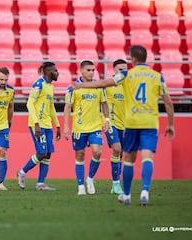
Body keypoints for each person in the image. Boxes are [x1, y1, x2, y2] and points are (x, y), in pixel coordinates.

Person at [73, 45, 175, 206]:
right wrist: (170, 124)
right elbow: (168, 103)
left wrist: (81, 85)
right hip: (149, 122)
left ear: (133, 59)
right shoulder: (157, 76)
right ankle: (144, 191)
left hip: (131, 123)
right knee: (146, 158)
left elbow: (104, 82)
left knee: (128, 159)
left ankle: (126, 195)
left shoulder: (127, 75)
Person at [63, 60, 110, 195]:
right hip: (79, 128)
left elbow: (104, 103)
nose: (91, 72)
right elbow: (67, 107)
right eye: (88, 70)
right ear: (81, 71)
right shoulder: (74, 87)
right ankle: (80, 186)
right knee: (80, 155)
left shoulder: (99, 86)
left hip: (95, 126)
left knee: (97, 152)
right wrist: (66, 126)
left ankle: (89, 179)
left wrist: (107, 119)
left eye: (93, 70)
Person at [17, 61, 61, 191]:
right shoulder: (38, 84)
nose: (57, 73)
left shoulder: (50, 87)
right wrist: (36, 123)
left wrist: (57, 125)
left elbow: (51, 106)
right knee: (42, 152)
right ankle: (22, 172)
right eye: (55, 70)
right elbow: (29, 104)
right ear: (48, 72)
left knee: (48, 154)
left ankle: (40, 184)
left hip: (47, 125)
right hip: (37, 124)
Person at [104, 59, 128, 195]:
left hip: (125, 125)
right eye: (120, 70)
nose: (124, 72)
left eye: (125, 69)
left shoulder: (129, 85)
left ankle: (115, 183)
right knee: (117, 149)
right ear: (114, 70)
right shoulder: (109, 85)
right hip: (111, 123)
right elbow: (100, 102)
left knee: (120, 155)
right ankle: (116, 184)